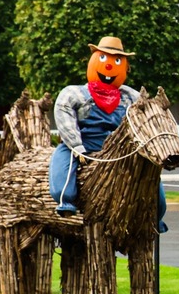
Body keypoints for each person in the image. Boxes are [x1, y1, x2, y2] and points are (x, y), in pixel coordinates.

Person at [50, 35, 166, 232]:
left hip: (120, 148)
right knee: (63, 163)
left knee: (150, 176)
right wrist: (77, 146)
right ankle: (65, 200)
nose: (110, 66)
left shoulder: (131, 96)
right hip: (85, 143)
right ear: (94, 60)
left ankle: (155, 214)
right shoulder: (75, 93)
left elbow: (145, 117)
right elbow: (64, 115)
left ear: (125, 67)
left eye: (117, 61)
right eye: (103, 58)